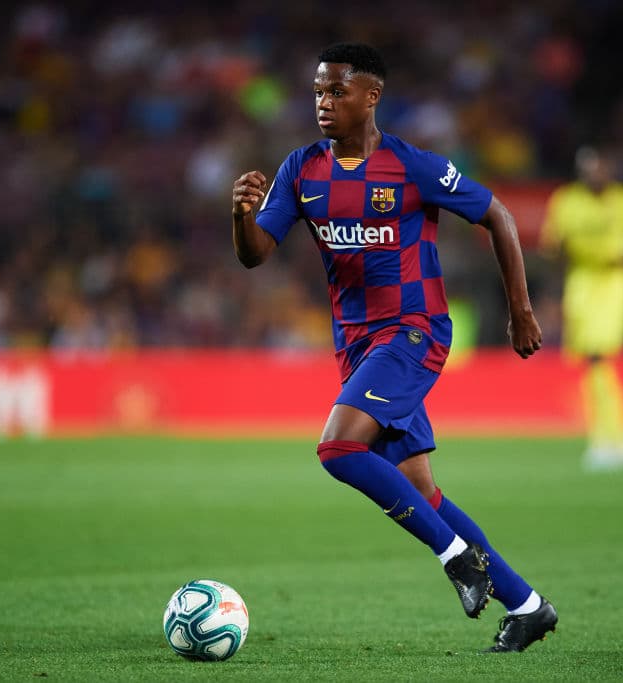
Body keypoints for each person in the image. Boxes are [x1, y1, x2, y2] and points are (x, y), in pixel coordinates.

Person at [231, 43, 556, 653]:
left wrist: (520, 310)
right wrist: (242, 217)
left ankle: (456, 557)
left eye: (337, 91)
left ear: (371, 96)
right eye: (319, 92)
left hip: (414, 329)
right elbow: (255, 254)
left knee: (337, 447)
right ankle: (527, 605)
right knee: (420, 488)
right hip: (355, 344)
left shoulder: (413, 166)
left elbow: (500, 218)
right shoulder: (301, 169)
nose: (324, 103)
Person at [541, 146, 623, 470]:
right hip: (581, 279)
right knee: (590, 360)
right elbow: (554, 249)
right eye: (588, 169)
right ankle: (621, 436)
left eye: (599, 168)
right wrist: (553, 293)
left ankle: (607, 439)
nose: (594, 175)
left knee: (597, 355)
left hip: (616, 279)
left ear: (610, 168)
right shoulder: (566, 201)